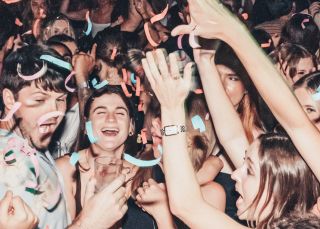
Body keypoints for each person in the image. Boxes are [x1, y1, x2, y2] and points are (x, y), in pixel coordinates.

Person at [0, 44, 127, 228]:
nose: (54, 113)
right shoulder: (9, 163)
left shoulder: (29, 143)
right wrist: (89, 223)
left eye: (60, 100)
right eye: (40, 100)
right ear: (10, 100)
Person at [56, 85, 136, 221]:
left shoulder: (142, 173)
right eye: (100, 112)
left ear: (131, 127)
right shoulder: (65, 169)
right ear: (86, 126)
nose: (111, 119)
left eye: (120, 113)